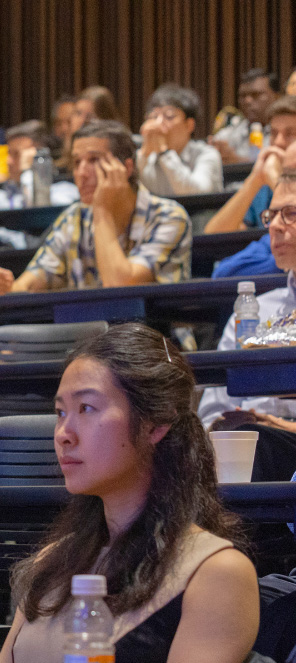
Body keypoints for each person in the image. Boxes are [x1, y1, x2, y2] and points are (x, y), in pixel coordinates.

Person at [0, 323, 257, 663]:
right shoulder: (53, 560)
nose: (63, 434)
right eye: (60, 412)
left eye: (86, 409)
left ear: (156, 424)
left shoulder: (216, 573)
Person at [0, 121, 192, 295]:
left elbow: (119, 288)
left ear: (126, 168)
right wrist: (9, 287)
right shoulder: (73, 217)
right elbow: (33, 280)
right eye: (76, 162)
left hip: (155, 341)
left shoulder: (169, 217)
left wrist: (101, 211)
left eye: (94, 160)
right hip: (87, 340)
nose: (81, 173)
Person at [198, 170, 296, 481]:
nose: (276, 226)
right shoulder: (254, 309)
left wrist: (278, 425)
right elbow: (212, 413)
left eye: (290, 213)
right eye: (271, 215)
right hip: (246, 449)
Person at [206, 96, 296, 235]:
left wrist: (275, 180)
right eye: (273, 133)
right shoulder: (263, 184)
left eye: (290, 134)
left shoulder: (272, 176)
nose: (278, 142)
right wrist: (255, 179)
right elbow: (213, 238)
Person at [0, 121, 80, 213]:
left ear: (39, 154)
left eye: (16, 154)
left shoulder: (65, 192)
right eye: (8, 153)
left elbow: (39, 210)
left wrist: (30, 171)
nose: (8, 161)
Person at [136, 83, 223, 196]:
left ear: (189, 125)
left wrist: (165, 153)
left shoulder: (207, 154)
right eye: (154, 117)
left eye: (169, 116)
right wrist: (144, 154)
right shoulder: (148, 158)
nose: (158, 124)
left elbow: (198, 195)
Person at [211, 69, 280, 165]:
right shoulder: (232, 132)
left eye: (256, 95)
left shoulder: (286, 133)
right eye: (243, 96)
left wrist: (238, 162)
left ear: (276, 97)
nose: (248, 101)